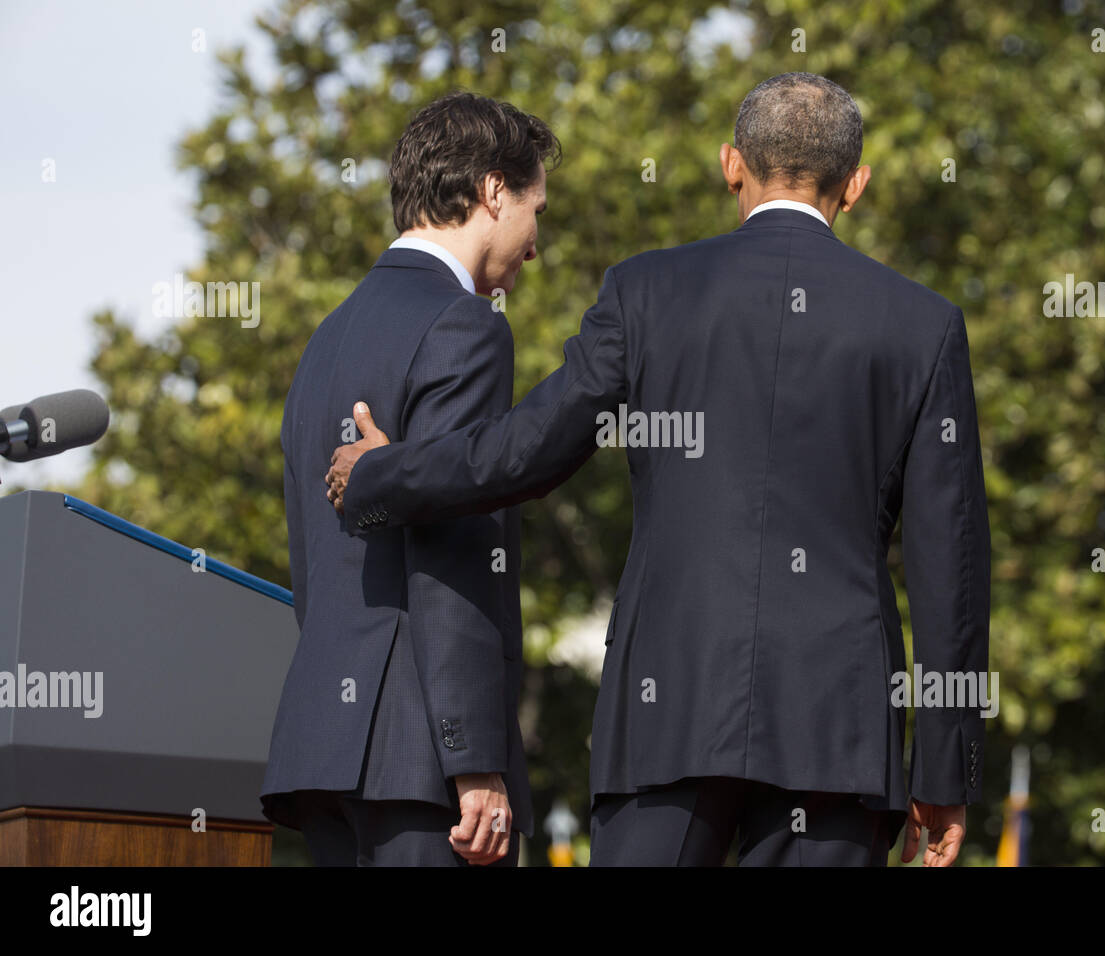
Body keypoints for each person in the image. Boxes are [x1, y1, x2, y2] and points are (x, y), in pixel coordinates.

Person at [326, 73, 991, 867]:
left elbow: (524, 452)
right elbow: (951, 569)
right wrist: (945, 769)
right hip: (838, 728)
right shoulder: (925, 324)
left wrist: (382, 474)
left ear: (730, 166)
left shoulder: (644, 291)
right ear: (857, 184)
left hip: (666, 708)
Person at [260, 91, 558, 865]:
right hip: (422, 762)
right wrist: (475, 760)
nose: (535, 247)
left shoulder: (325, 339)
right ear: (495, 192)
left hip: (325, 747)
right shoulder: (469, 327)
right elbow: (457, 551)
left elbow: (311, 558)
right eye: (537, 211)